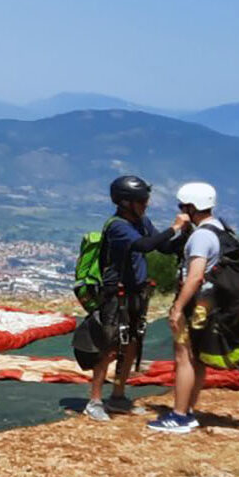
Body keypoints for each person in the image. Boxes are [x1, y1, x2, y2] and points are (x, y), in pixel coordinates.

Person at [82, 175, 189, 421]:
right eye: (141, 200)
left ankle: (118, 396)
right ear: (125, 202)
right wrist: (173, 228)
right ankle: (95, 400)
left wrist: (183, 236)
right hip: (115, 294)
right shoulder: (118, 226)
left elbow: (162, 247)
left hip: (136, 292)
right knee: (109, 347)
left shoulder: (141, 221)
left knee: (131, 344)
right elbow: (144, 245)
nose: (146, 204)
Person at [149, 182, 223, 434]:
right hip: (210, 303)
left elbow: (194, 276)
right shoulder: (220, 229)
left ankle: (179, 415)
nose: (180, 210)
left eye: (183, 206)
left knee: (184, 357)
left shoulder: (201, 236)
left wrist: (178, 307)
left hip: (196, 303)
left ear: (192, 207)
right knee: (197, 358)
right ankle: (188, 409)